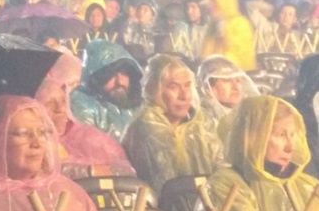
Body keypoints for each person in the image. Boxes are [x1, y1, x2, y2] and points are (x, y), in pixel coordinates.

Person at [194, 96, 319, 211]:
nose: (290, 146)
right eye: (281, 135)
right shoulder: (225, 187)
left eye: (292, 134)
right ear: (252, 138)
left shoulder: (307, 186)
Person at [122, 54, 223, 195]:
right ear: (154, 89)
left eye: (187, 86)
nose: (184, 96)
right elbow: (164, 186)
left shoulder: (202, 122)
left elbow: (220, 167)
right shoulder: (145, 128)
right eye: (174, 87)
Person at [35, 78, 135, 178]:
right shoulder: (33, 145)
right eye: (50, 103)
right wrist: (91, 171)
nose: (60, 109)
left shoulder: (90, 137)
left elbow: (126, 170)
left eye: (63, 101)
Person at [70, 40, 143, 140]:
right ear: (96, 77)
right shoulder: (82, 104)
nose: (120, 81)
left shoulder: (131, 105)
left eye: (124, 73)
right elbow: (89, 148)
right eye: (111, 74)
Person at [201, 0, 256, 70]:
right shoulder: (213, 25)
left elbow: (238, 60)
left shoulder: (240, 24)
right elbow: (205, 55)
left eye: (213, 1)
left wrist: (225, 32)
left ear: (224, 1)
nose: (209, 5)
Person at [196, 55, 260, 126]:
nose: (236, 87)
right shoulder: (202, 123)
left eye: (238, 80)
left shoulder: (250, 116)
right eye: (227, 80)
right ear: (208, 87)